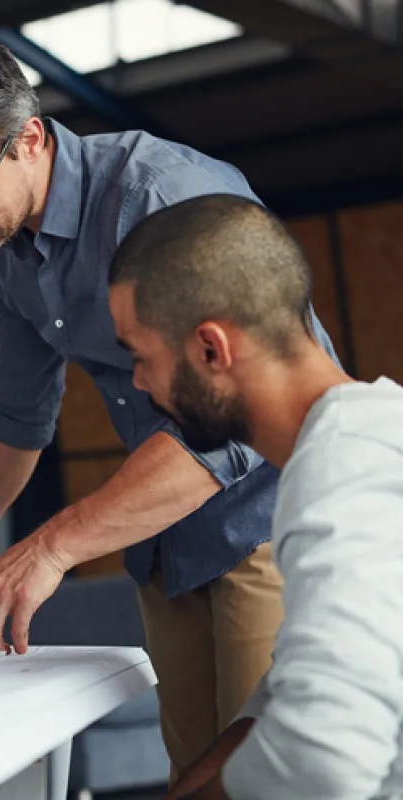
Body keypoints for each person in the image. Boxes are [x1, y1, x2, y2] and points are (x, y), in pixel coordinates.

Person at [0, 33, 339, 776]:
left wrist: (52, 546)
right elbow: (17, 410)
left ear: (28, 139)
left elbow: (232, 420)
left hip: (270, 516)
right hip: (165, 541)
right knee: (195, 770)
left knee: (273, 777)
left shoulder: (161, 196)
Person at [109, 194, 403, 800]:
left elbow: (324, 760)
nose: (138, 384)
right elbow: (300, 675)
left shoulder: (345, 466)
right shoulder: (356, 439)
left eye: (142, 359)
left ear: (212, 350)